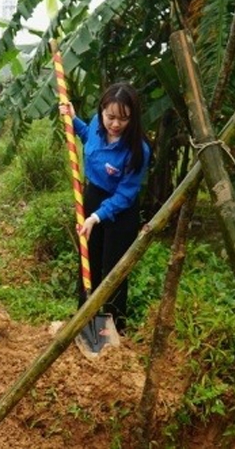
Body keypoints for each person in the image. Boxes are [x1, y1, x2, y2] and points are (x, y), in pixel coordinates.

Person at [59, 82, 151, 334]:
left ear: (132, 118)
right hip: (92, 197)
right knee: (88, 261)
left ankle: (112, 328)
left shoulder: (138, 150)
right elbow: (89, 138)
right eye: (110, 116)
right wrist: (74, 120)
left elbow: (126, 193)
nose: (115, 124)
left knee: (114, 269)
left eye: (123, 118)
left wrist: (97, 217)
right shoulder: (97, 127)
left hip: (120, 210)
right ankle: (84, 320)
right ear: (101, 111)